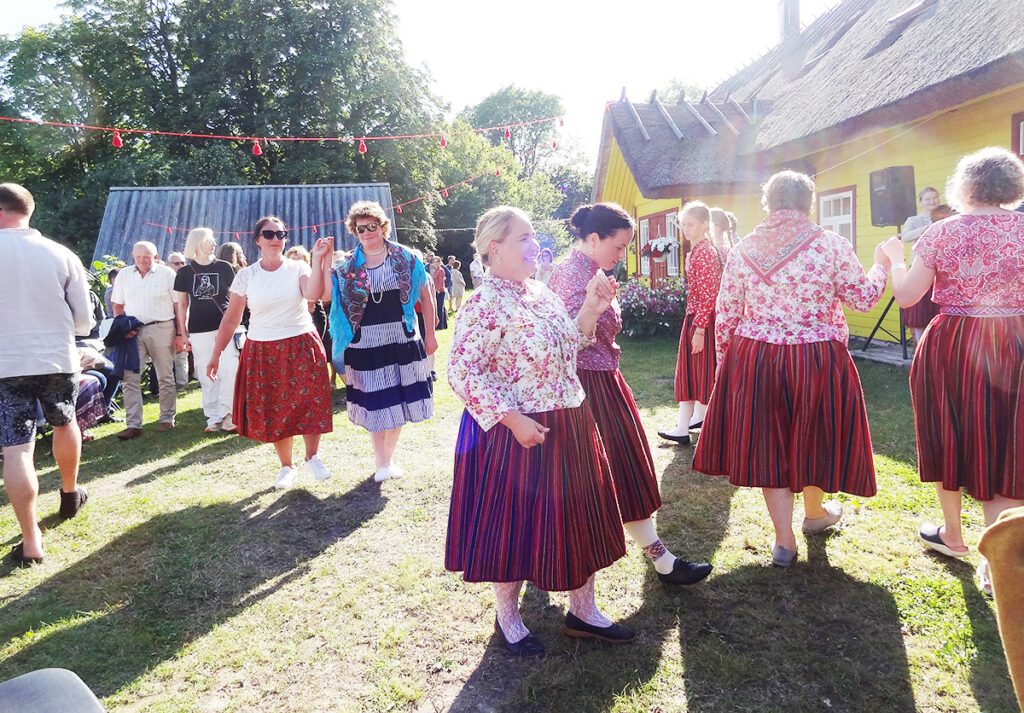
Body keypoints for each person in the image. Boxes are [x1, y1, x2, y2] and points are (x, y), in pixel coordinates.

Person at [447, 205, 633, 658]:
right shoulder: (482, 304)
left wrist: (591, 307)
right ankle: (508, 617)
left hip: (568, 418)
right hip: (519, 433)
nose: (536, 246)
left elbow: (572, 343)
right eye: (525, 239)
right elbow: (462, 372)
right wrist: (512, 419)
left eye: (534, 237)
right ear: (495, 249)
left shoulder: (540, 294)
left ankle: (583, 611)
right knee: (514, 526)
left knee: (578, 516)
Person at [692, 171, 891, 567]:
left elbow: (727, 314)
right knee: (815, 435)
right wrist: (882, 265)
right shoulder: (831, 245)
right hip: (816, 356)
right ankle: (815, 516)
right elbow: (865, 298)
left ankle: (784, 542)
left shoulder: (743, 248)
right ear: (808, 202)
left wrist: (724, 367)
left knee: (769, 445)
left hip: (756, 358)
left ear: (768, 202)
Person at [881, 147, 1024, 595]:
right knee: (1010, 435)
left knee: (951, 429)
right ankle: (998, 555)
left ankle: (954, 536)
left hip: (955, 341)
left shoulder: (942, 233)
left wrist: (894, 258)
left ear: (965, 186)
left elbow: (906, 297)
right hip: (1016, 339)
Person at [548, 202, 713, 586]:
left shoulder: (592, 271)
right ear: (593, 238)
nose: (622, 255)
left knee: (625, 467)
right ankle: (646, 561)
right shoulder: (573, 274)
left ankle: (660, 559)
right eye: (619, 246)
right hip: (585, 387)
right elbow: (567, 342)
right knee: (607, 472)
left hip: (604, 379)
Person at [0, 183, 93, 565]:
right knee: (64, 421)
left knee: (17, 448)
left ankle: (32, 537)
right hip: (56, 357)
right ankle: (69, 493)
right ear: (28, 211)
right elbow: (85, 319)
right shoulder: (61, 254)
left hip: (5, 363)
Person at [207, 216, 333, 490]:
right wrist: (216, 353)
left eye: (281, 234)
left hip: (301, 341)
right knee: (277, 407)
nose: (276, 239)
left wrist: (319, 259)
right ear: (258, 240)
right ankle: (286, 466)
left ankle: (313, 457)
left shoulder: (298, 267)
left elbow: (314, 293)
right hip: (263, 347)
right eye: (269, 234)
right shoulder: (247, 275)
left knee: (310, 399)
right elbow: (231, 319)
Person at [324, 201, 436, 482]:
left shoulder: (407, 258)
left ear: (383, 226)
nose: (367, 233)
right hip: (365, 341)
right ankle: (381, 462)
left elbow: (426, 297)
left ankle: (388, 460)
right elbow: (327, 298)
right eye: (360, 229)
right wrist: (321, 261)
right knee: (376, 400)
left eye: (372, 227)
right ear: (355, 231)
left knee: (398, 397)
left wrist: (431, 335)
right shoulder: (346, 265)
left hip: (401, 336)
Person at [659, 202, 725, 444]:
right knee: (697, 372)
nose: (685, 229)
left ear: (705, 225)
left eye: (691, 224)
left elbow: (709, 294)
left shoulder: (705, 252)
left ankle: (684, 428)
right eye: (683, 224)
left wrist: (699, 328)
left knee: (693, 373)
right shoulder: (699, 250)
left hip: (701, 319)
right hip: (699, 317)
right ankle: (696, 419)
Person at [110, 240, 178, 439]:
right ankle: (133, 424)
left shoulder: (167, 274)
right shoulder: (124, 274)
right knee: (130, 378)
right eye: (138, 257)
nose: (142, 261)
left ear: (155, 257)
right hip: (134, 331)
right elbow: (117, 305)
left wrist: (181, 332)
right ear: (133, 256)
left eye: (146, 257)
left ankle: (166, 418)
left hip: (162, 327)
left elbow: (178, 306)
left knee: (165, 375)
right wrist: (123, 327)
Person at [174, 228, 239, 433]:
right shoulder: (184, 273)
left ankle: (229, 414)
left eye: (213, 240)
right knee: (205, 371)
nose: (213, 243)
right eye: (208, 240)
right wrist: (182, 333)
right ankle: (213, 417)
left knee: (230, 368)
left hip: (225, 325)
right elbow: (182, 305)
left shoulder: (225, 267)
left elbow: (237, 297)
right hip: (199, 329)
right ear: (197, 243)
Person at [286, 245, 336, 387]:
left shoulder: (311, 283)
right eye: (292, 259)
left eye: (299, 259)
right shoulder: (282, 284)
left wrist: (315, 337)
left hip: (308, 335)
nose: (296, 262)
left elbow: (320, 316)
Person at [899, 187, 943, 342]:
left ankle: (938, 345)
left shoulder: (945, 217)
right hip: (919, 267)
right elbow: (906, 237)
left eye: (934, 198)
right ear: (922, 202)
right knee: (919, 310)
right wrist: (927, 227)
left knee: (938, 309)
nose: (932, 201)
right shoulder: (913, 220)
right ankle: (919, 346)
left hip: (941, 268)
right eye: (928, 199)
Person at [166, 251, 190, 391]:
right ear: (170, 265)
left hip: (185, 321)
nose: (180, 265)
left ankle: (182, 383)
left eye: (182, 262)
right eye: (177, 263)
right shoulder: (166, 279)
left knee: (182, 353)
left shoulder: (188, 277)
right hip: (168, 321)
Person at [429, 256, 449, 330]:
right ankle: (442, 325)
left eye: (438, 261)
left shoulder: (441, 270)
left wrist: (437, 290)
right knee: (439, 307)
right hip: (436, 290)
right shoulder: (435, 270)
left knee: (439, 308)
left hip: (440, 291)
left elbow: (441, 281)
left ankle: (440, 325)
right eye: (435, 261)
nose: (436, 263)